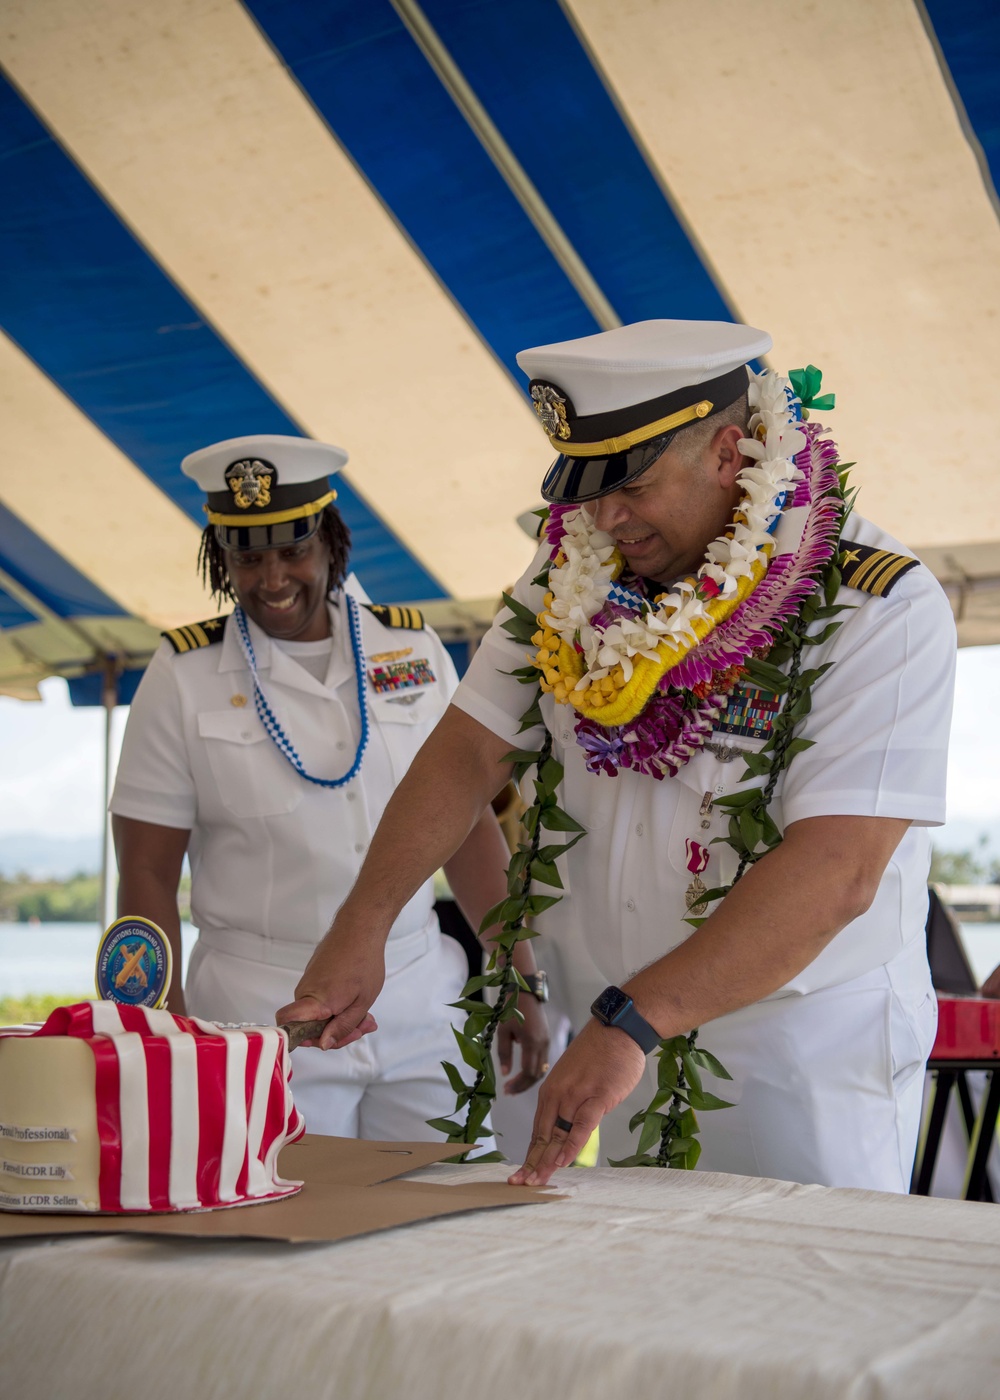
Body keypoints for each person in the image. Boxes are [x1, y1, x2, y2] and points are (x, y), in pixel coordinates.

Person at [277, 322, 956, 1190]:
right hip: (624, 1038)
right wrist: (360, 927)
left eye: (630, 483)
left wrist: (633, 1023)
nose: (603, 517)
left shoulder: (875, 606)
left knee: (799, 1312)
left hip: (798, 1056)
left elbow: (837, 872)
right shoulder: (569, 573)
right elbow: (468, 752)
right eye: (584, 488)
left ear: (731, 452)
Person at [111, 434, 548, 1139]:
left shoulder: (410, 648)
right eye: (247, 557)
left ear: (332, 540)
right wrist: (159, 1027)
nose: (272, 578)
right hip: (261, 1015)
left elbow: (467, 825)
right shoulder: (182, 674)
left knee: (449, 1217)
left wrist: (517, 976)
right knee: (290, 1229)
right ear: (221, 559)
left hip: (419, 997)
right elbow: (146, 871)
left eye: (293, 551)